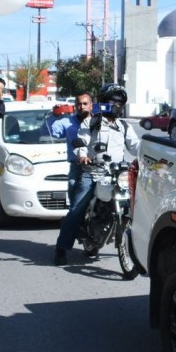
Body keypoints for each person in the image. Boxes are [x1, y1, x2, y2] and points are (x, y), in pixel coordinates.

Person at [53, 85, 137, 266]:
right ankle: (61, 249)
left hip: (116, 174)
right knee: (76, 210)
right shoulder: (90, 122)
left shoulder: (123, 126)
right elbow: (82, 140)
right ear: (104, 103)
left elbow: (136, 146)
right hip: (92, 173)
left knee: (136, 205)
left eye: (118, 102)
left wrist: (150, 155)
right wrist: (82, 154)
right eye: (112, 101)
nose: (115, 105)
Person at [49, 93, 93, 207]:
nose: (82, 106)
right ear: (75, 106)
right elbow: (50, 132)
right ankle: (74, 216)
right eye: (79, 104)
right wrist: (54, 115)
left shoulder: (98, 122)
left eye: (85, 103)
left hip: (96, 165)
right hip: (77, 164)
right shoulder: (66, 122)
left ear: (91, 106)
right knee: (72, 184)